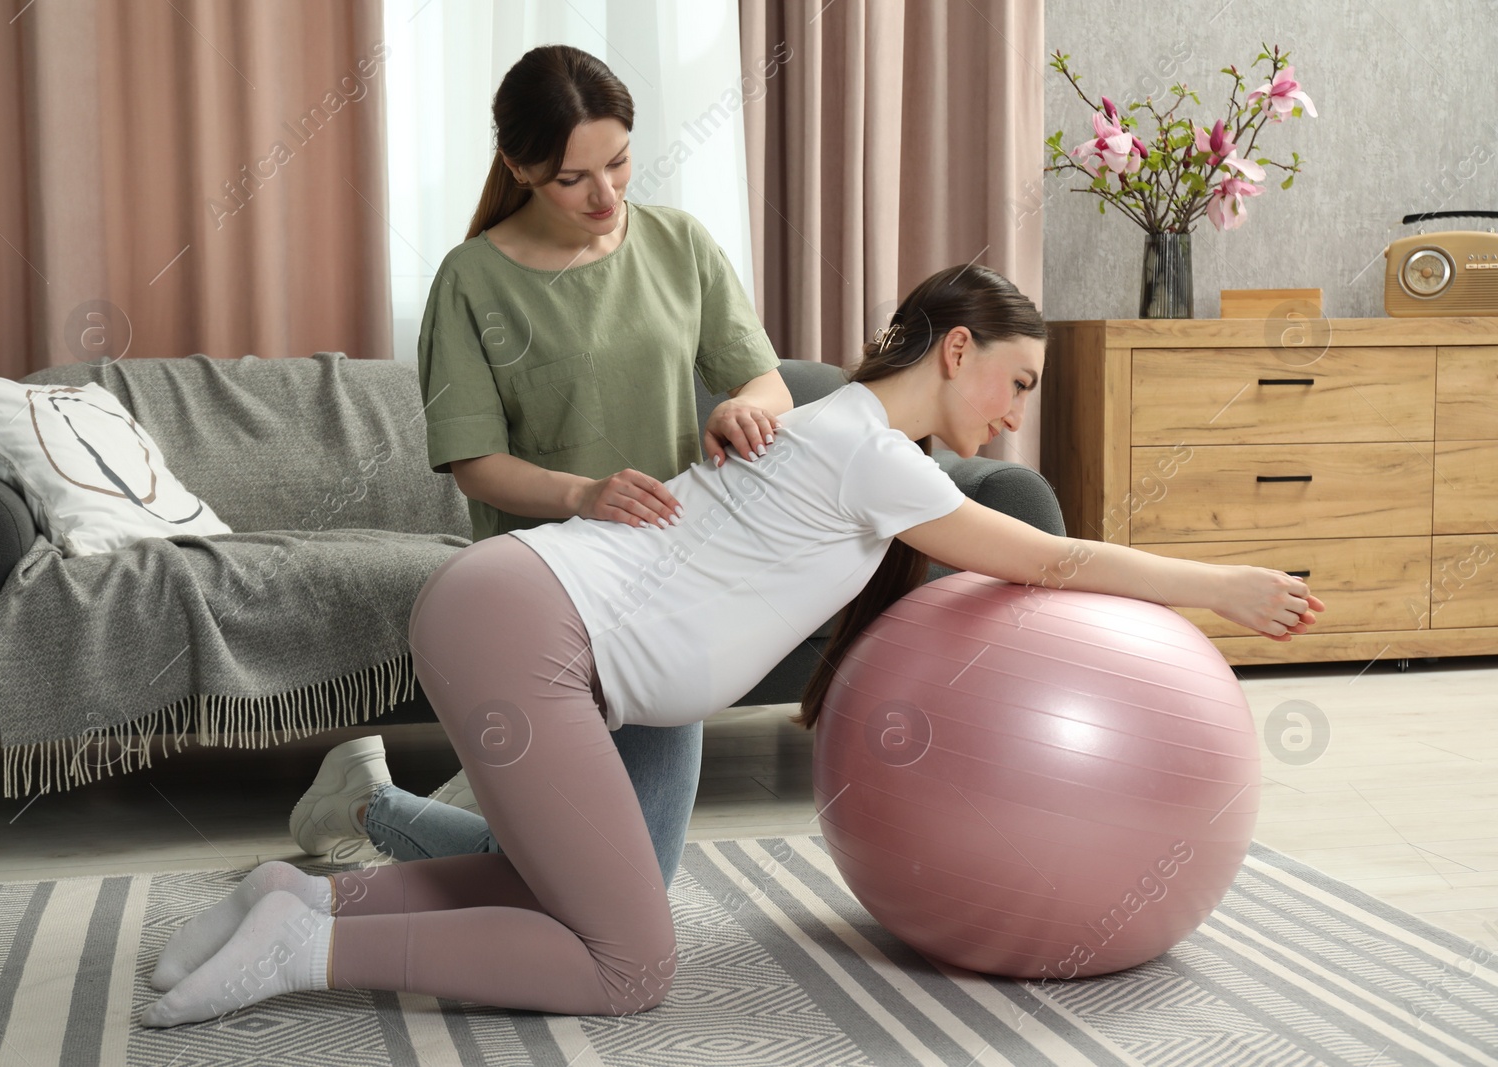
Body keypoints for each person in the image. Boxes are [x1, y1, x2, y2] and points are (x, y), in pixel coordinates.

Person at [140, 263, 1324, 1026]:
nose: (1012, 414)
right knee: (626, 966)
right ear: (954, 348)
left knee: (573, 890)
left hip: (529, 620)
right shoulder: (869, 450)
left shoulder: (842, 438)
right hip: (528, 624)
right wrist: (1219, 584)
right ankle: (308, 950)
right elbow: (1050, 557)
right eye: (1013, 381)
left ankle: (301, 892)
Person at [285, 44, 789, 889]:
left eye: (620, 162)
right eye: (572, 178)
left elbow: (765, 380)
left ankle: (373, 801)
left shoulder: (680, 244)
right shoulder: (469, 282)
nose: (606, 195)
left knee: (629, 887)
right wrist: (584, 494)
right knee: (594, 886)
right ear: (520, 167)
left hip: (662, 601)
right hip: (537, 609)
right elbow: (476, 465)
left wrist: (749, 407)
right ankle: (378, 803)